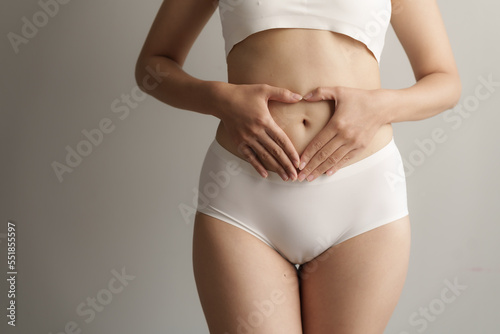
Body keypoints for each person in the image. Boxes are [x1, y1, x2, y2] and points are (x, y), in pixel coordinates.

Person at [135, 0, 461, 332]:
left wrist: (377, 107)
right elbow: (153, 67)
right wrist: (221, 99)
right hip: (244, 197)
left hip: (362, 199)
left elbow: (445, 82)